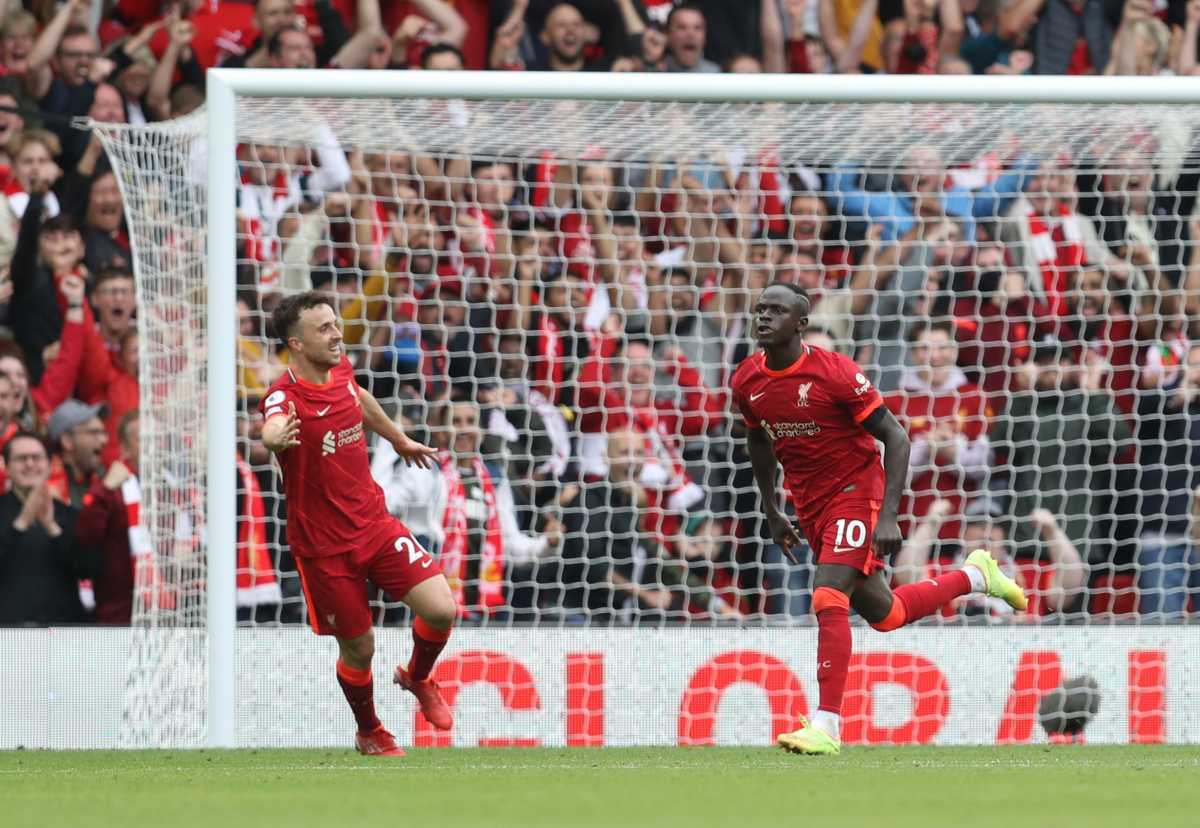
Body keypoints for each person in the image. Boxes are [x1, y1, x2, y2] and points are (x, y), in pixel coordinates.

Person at [730, 282, 1026, 756]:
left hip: (855, 491)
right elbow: (759, 444)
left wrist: (887, 515)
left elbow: (898, 437)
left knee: (828, 595)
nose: (764, 317)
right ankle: (976, 575)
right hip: (810, 505)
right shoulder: (747, 379)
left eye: (776, 311)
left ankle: (826, 724)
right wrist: (771, 508)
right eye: (760, 308)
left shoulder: (836, 373)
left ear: (800, 324)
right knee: (886, 614)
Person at [259, 291, 456, 757]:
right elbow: (270, 424)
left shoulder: (341, 371)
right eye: (323, 328)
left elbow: (359, 398)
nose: (336, 333)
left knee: (441, 608)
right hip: (324, 546)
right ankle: (370, 730)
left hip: (373, 523)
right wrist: (273, 438)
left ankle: (418, 675)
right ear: (297, 343)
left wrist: (401, 439)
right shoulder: (283, 398)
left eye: (334, 324)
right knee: (359, 648)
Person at [0, 430, 99, 624]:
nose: (30, 464)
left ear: (48, 464)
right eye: (21, 459)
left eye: (36, 458)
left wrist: (52, 527)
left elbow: (88, 568)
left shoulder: (70, 514)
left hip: (62, 631)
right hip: (6, 631)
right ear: (7, 467)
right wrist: (21, 523)